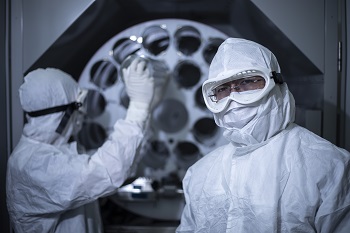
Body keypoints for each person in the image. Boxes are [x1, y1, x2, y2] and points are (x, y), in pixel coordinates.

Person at [176, 38, 350, 232]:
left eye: (247, 81)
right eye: (222, 89)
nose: (233, 97)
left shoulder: (330, 166)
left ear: (277, 84)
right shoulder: (199, 174)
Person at [6, 57, 154, 233]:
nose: (82, 115)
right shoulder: (32, 164)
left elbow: (123, 166)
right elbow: (107, 170)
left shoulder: (58, 152)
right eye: (78, 107)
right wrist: (138, 107)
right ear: (62, 114)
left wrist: (147, 111)